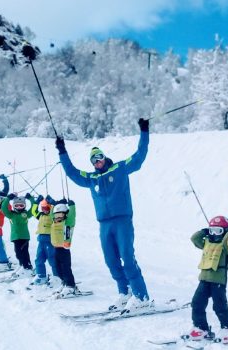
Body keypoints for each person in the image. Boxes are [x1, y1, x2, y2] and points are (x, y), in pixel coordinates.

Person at [55, 117, 152, 311]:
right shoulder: (91, 178)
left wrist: (144, 131)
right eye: (93, 160)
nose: (97, 162)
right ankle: (125, 293)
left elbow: (140, 155)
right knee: (111, 260)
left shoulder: (120, 168)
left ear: (104, 157)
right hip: (104, 224)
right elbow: (72, 172)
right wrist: (62, 151)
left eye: (99, 158)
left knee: (127, 257)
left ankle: (142, 297)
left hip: (122, 220)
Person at [186, 216, 228, 344]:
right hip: (204, 279)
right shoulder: (207, 243)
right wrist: (204, 232)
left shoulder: (226, 245)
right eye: (212, 230)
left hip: (218, 280)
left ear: (225, 232)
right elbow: (194, 238)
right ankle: (201, 328)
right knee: (197, 303)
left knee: (219, 306)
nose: (214, 234)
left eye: (218, 231)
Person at [1, 193, 35, 278]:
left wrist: (30, 198)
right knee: (18, 253)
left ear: (24, 206)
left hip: (24, 237)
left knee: (24, 252)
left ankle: (27, 266)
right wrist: (8, 198)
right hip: (15, 237)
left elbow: (34, 208)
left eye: (21, 205)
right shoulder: (11, 214)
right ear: (13, 206)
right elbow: (3, 208)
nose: (19, 207)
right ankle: (22, 265)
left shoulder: (26, 214)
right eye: (17, 205)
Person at [50, 199, 79, 297]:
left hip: (64, 249)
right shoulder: (54, 222)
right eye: (56, 215)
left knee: (66, 268)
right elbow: (51, 214)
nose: (58, 217)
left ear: (65, 215)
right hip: (56, 249)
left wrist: (72, 206)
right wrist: (54, 205)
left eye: (60, 215)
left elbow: (72, 215)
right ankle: (64, 283)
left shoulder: (68, 223)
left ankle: (70, 286)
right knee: (58, 268)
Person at [31, 195, 58, 285]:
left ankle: (57, 276)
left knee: (52, 259)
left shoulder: (52, 216)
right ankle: (41, 275)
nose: (45, 210)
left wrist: (53, 203)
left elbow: (56, 212)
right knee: (39, 259)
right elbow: (33, 211)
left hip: (50, 240)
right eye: (43, 208)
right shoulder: (40, 215)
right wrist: (36, 202)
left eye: (47, 208)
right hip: (41, 241)